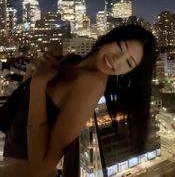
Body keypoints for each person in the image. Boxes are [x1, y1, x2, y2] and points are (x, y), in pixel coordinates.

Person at [1, 24, 157, 177]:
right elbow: (22, 110)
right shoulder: (71, 61)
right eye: (120, 47)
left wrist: (38, 84)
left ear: (129, 72)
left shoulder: (93, 83)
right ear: (108, 39)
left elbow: (41, 170)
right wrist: (31, 75)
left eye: (129, 63)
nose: (117, 60)